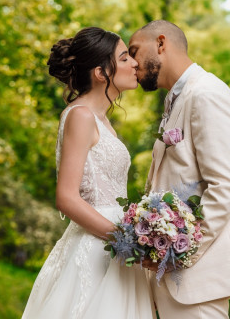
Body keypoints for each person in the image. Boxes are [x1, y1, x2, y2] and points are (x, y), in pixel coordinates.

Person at [128, 20, 230, 318]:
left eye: (134, 51)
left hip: (198, 279)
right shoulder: (177, 99)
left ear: (161, 44)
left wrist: (179, 251)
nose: (131, 62)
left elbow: (227, 185)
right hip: (173, 278)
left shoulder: (206, 93)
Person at [21, 27, 154, 319]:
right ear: (100, 72)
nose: (134, 64)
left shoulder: (102, 120)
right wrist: (126, 238)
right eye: (124, 58)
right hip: (99, 247)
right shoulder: (80, 116)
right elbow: (67, 198)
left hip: (116, 246)